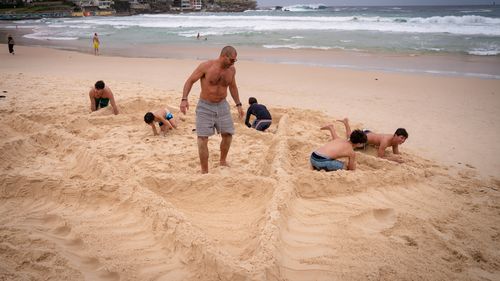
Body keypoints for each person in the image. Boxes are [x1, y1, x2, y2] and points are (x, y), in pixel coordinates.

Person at [180, 45, 244, 174]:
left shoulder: (231, 70)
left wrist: (238, 104)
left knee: (228, 135)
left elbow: (233, 87)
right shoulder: (206, 66)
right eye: (232, 60)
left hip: (222, 106)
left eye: (235, 61)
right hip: (205, 106)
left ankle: (222, 161)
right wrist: (184, 99)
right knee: (202, 139)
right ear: (223, 56)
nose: (233, 63)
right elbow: (190, 81)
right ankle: (205, 171)